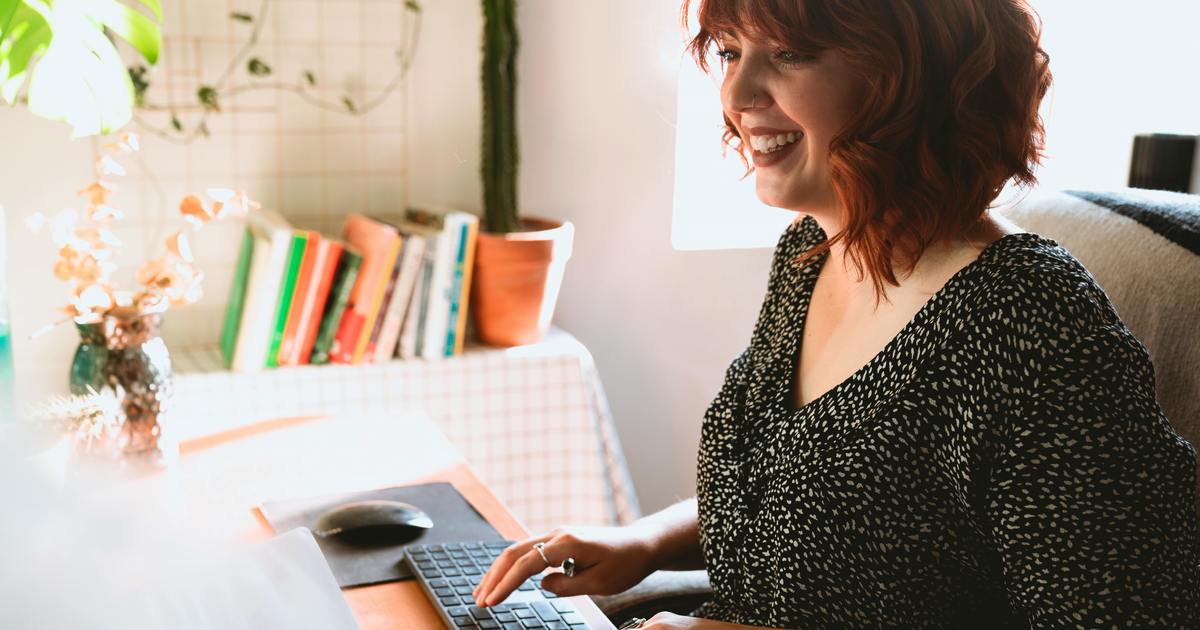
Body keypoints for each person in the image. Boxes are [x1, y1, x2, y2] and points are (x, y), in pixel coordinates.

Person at [475, 0, 1200, 627]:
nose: (738, 91)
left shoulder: (1030, 322)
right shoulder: (812, 254)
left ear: (917, 79)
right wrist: (646, 539)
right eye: (730, 51)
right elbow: (803, 488)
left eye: (789, 53)